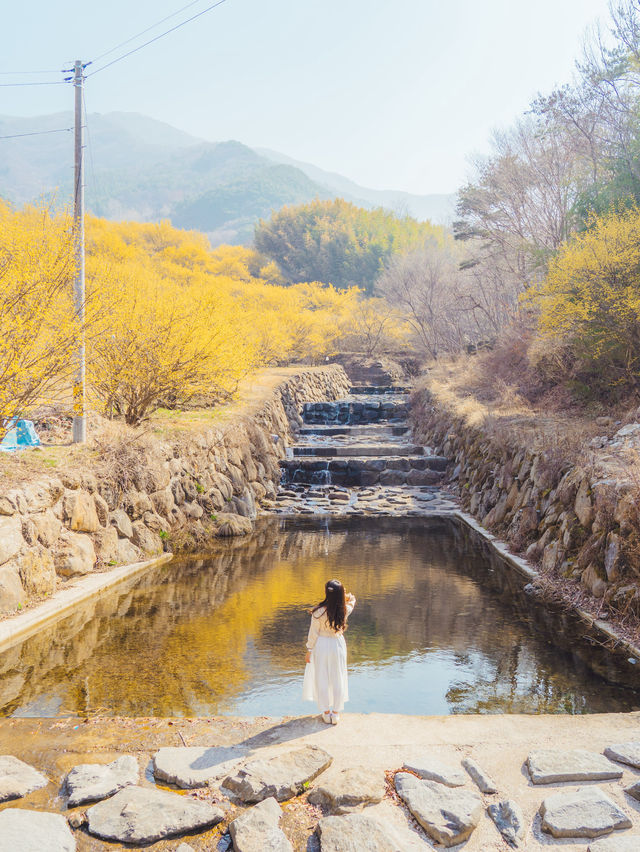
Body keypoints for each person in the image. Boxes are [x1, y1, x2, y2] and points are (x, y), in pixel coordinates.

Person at [303, 579, 356, 724]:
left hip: (321, 644)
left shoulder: (318, 612)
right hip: (337, 644)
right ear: (340, 595)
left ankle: (326, 713)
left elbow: (313, 634)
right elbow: (352, 601)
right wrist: (346, 596)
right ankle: (336, 713)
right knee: (338, 677)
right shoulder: (344, 610)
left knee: (322, 677)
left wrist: (309, 650)